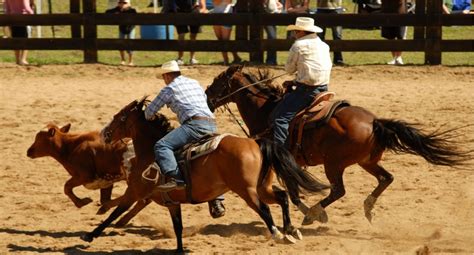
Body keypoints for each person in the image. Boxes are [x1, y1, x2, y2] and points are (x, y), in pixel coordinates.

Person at [144, 60, 225, 217]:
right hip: (212, 125)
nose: (164, 80)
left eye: (163, 77)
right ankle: (217, 199)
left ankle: (176, 178)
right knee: (204, 158)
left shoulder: (169, 89)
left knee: (162, 145)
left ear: (167, 75)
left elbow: (149, 112)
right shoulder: (194, 83)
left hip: (194, 126)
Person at [270, 17, 332, 147]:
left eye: (296, 31)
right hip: (324, 88)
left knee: (280, 119)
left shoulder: (298, 45)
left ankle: (280, 153)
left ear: (302, 32)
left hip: (306, 91)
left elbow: (289, 69)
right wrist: (294, 81)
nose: (294, 34)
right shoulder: (324, 45)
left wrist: (295, 75)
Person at [173, 0, 208, 65]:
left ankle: (192, 58)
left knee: (193, 35)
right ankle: (180, 58)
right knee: (181, 35)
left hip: (194, 10)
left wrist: (203, 8)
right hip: (180, 11)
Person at [106, 0, 137, 66]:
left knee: (130, 43)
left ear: (128, 4)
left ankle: (130, 61)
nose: (122, 4)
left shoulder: (132, 10)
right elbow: (107, 12)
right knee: (121, 43)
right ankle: (123, 60)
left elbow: (136, 16)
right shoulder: (117, 9)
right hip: (122, 28)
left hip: (130, 28)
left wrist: (126, 10)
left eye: (124, 2)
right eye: (120, 2)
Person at [4, 0, 34, 65]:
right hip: (23, 19)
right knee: (26, 39)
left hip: (12, 19)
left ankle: (17, 60)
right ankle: (23, 59)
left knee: (15, 40)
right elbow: (27, 8)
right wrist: (33, 15)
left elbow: (7, 10)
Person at [211, 0, 241, 65]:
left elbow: (229, 1)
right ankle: (236, 57)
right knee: (220, 40)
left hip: (227, 16)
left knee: (225, 40)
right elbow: (215, 2)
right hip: (215, 16)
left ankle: (226, 60)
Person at [316, 0, 344, 65]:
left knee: (337, 36)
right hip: (321, 8)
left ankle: (338, 59)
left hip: (336, 8)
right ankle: (320, 59)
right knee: (320, 36)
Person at [381, 0, 407, 65]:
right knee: (390, 36)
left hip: (400, 11)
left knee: (400, 35)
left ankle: (398, 57)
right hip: (386, 11)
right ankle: (395, 58)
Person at [263, 0, 283, 65]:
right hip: (267, 17)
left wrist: (279, 7)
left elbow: (278, 4)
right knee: (272, 37)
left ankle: (272, 60)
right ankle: (270, 60)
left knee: (272, 38)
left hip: (273, 16)